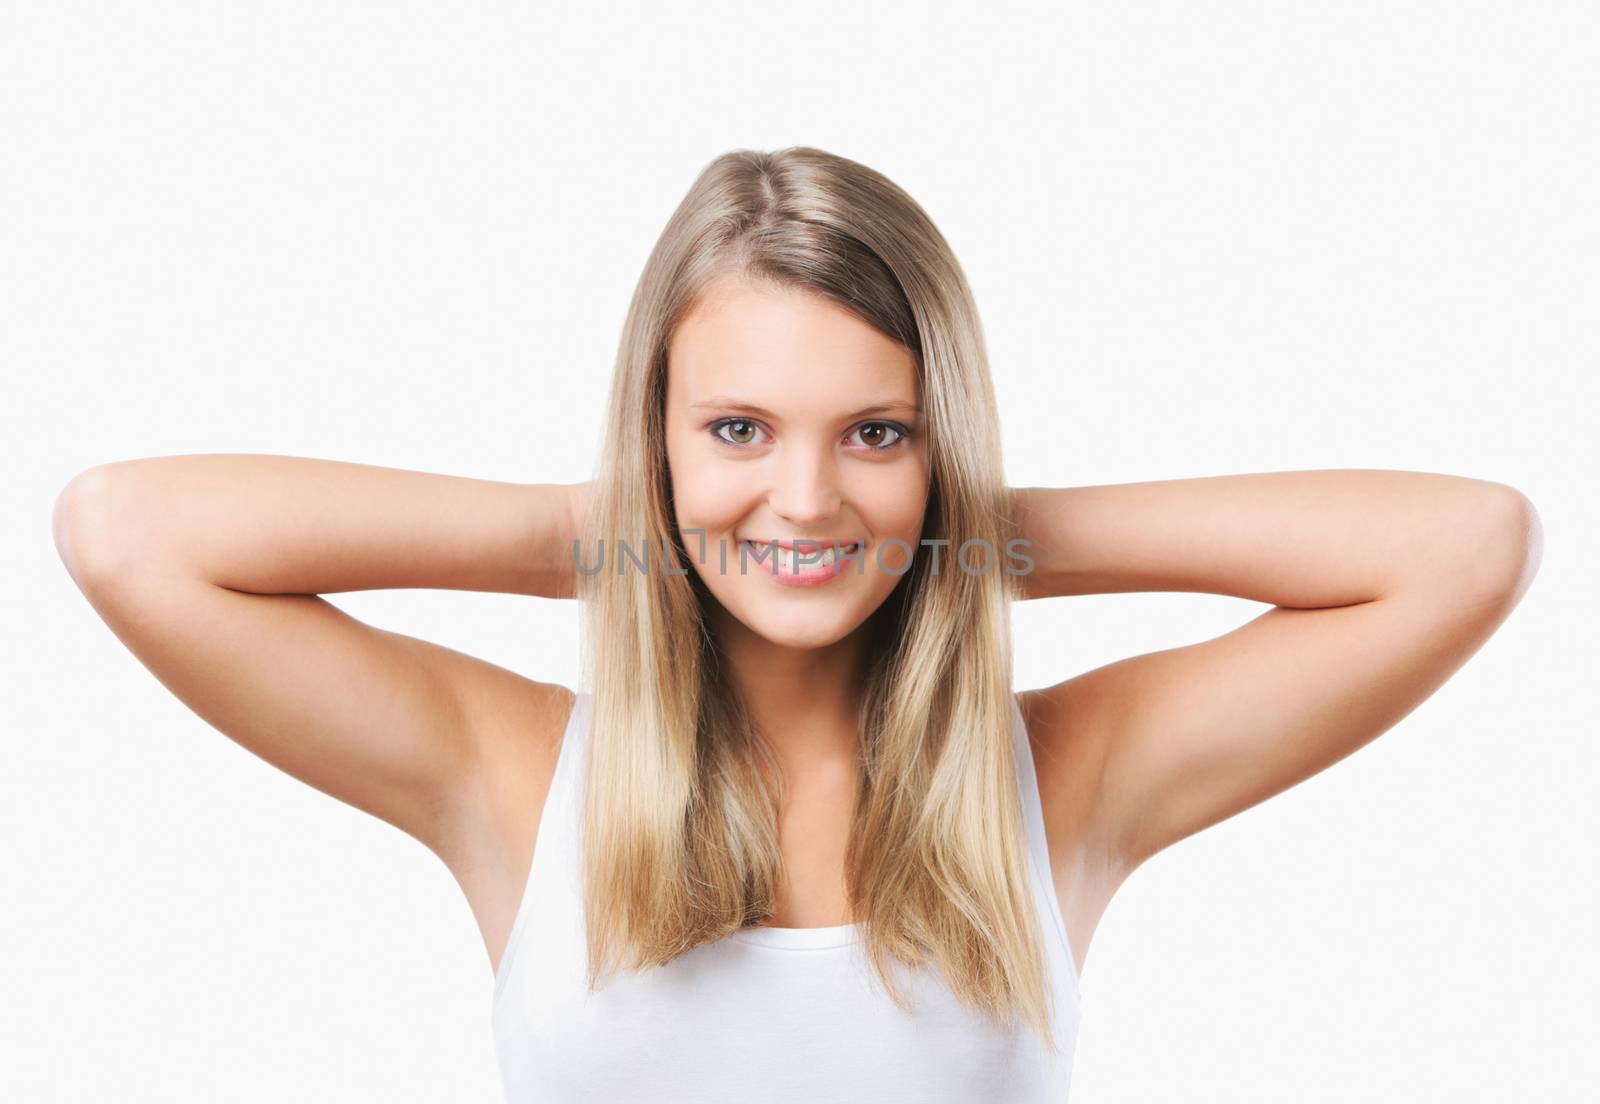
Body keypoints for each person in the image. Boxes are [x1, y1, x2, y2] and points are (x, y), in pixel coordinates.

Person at [52, 146, 1541, 1103]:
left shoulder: (1064, 782)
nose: (808, 498)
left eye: (878, 433)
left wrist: (970, 537)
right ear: (658, 436)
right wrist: (613, 531)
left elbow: (1465, 547)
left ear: (941, 438)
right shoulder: (511, 775)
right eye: (742, 427)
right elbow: (130, 533)